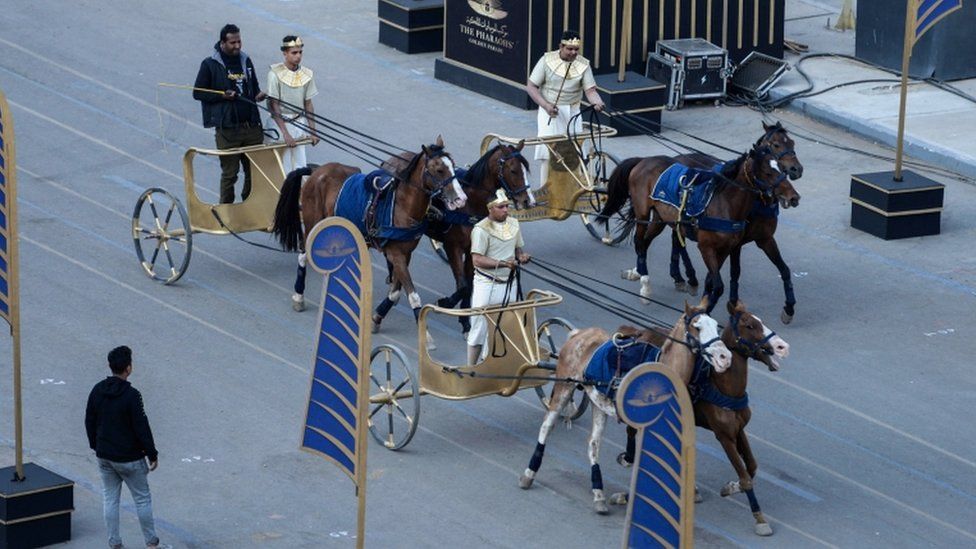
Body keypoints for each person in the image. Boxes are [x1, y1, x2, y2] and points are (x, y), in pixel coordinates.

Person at [85, 346, 166, 549]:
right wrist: (152, 454)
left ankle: (114, 543)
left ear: (110, 366)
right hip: (130, 458)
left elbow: (89, 420)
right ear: (128, 368)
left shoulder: (97, 390)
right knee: (142, 499)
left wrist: (96, 445)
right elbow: (142, 427)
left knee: (110, 499)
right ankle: (151, 544)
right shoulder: (132, 395)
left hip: (105, 456)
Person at [193, 23, 267, 204]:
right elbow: (198, 93)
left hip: (251, 127)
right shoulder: (210, 64)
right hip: (228, 130)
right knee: (230, 174)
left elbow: (254, 88)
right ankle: (226, 210)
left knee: (254, 171)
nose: (237, 46)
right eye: (233, 42)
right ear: (223, 43)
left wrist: (259, 95)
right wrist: (222, 96)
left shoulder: (246, 61)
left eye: (239, 41)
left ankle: (249, 205)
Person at [526, 30, 606, 189]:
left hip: (573, 111)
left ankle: (572, 188)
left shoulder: (583, 64)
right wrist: (546, 106)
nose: (573, 53)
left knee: (575, 151)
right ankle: (545, 189)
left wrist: (597, 102)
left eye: (576, 49)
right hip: (550, 111)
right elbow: (531, 86)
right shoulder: (546, 60)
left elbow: (590, 91)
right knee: (548, 152)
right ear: (561, 47)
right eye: (569, 49)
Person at [467, 189, 531, 365]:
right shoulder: (480, 229)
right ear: (490, 209)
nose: (505, 210)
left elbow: (517, 249)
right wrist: (503, 264)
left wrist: (522, 256)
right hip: (487, 284)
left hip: (509, 283)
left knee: (502, 326)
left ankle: (490, 364)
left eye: (507, 206)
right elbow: (477, 260)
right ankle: (471, 368)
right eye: (501, 207)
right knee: (479, 327)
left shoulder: (514, 224)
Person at [267, 35, 320, 173]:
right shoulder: (274, 75)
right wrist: (285, 134)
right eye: (294, 53)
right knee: (281, 168)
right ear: (285, 53)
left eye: (300, 52)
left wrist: (313, 132)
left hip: (298, 123)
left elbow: (308, 104)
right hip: (279, 126)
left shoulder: (307, 75)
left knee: (299, 166)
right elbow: (274, 105)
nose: (298, 56)